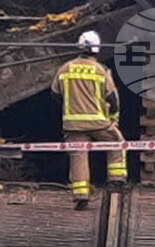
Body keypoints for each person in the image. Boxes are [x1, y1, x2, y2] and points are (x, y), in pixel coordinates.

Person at [50, 30, 127, 208]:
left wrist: (71, 105)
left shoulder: (65, 68)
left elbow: (55, 94)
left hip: (73, 124)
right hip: (98, 122)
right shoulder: (101, 71)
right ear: (97, 50)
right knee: (117, 143)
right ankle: (116, 180)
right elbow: (112, 99)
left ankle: (81, 195)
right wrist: (113, 119)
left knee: (78, 156)